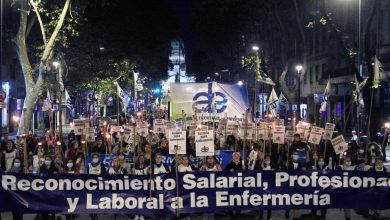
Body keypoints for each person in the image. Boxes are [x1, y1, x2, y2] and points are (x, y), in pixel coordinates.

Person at [88, 153, 106, 220]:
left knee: (96, 200)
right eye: (94, 157)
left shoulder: (102, 165)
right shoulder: (89, 165)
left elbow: (104, 174)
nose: (95, 158)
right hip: (90, 185)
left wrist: (100, 174)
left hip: (98, 185)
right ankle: (90, 214)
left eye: (96, 157)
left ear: (98, 158)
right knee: (89, 200)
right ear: (92, 158)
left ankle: (95, 214)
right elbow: (86, 175)